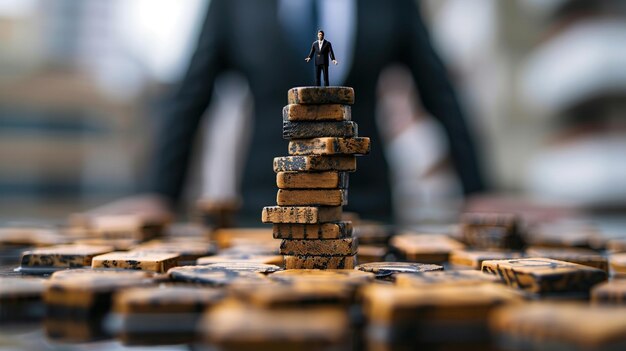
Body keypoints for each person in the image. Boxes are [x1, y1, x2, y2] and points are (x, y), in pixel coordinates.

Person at [90, 0, 486, 224]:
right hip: (263, 208)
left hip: (367, 207)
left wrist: (478, 190)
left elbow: (440, 91)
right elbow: (191, 95)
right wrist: (159, 193)